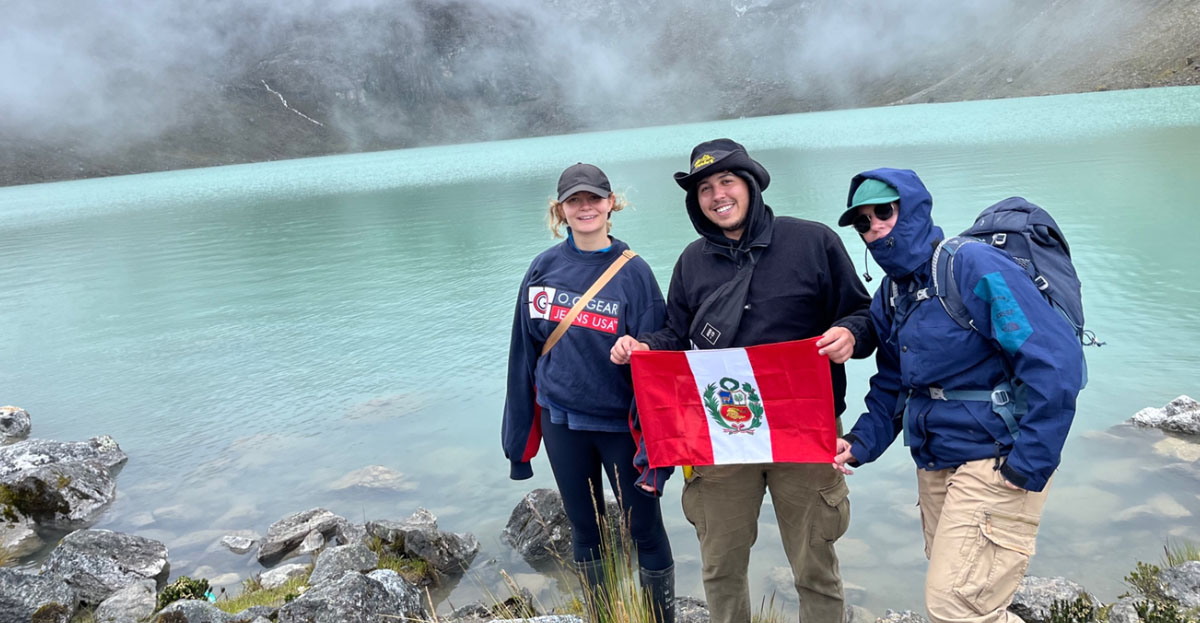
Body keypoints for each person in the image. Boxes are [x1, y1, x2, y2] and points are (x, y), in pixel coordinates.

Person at [610, 139, 875, 623]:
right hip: (721, 431)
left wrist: (850, 334)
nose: (717, 196)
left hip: (805, 427)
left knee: (814, 562)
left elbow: (864, 313)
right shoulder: (693, 261)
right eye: (705, 189)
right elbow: (676, 332)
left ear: (750, 185)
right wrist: (644, 347)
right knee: (720, 564)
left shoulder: (813, 242)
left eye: (726, 182)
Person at [831, 169, 1083, 623]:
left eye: (884, 213)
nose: (874, 229)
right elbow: (893, 383)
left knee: (956, 607)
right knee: (971, 600)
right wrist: (861, 442)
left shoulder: (971, 267)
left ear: (911, 209)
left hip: (996, 456)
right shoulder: (891, 294)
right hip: (936, 460)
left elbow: (1053, 363)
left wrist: (1028, 465)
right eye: (863, 223)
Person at [502, 163, 675, 622]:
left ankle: (660, 618)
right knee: (585, 529)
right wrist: (519, 447)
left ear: (611, 203)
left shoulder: (634, 273)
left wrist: (661, 450)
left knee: (646, 531)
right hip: (562, 423)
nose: (585, 207)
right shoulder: (544, 266)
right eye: (574, 200)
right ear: (560, 210)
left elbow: (659, 359)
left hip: (621, 426)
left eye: (594, 198)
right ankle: (604, 615)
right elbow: (525, 352)